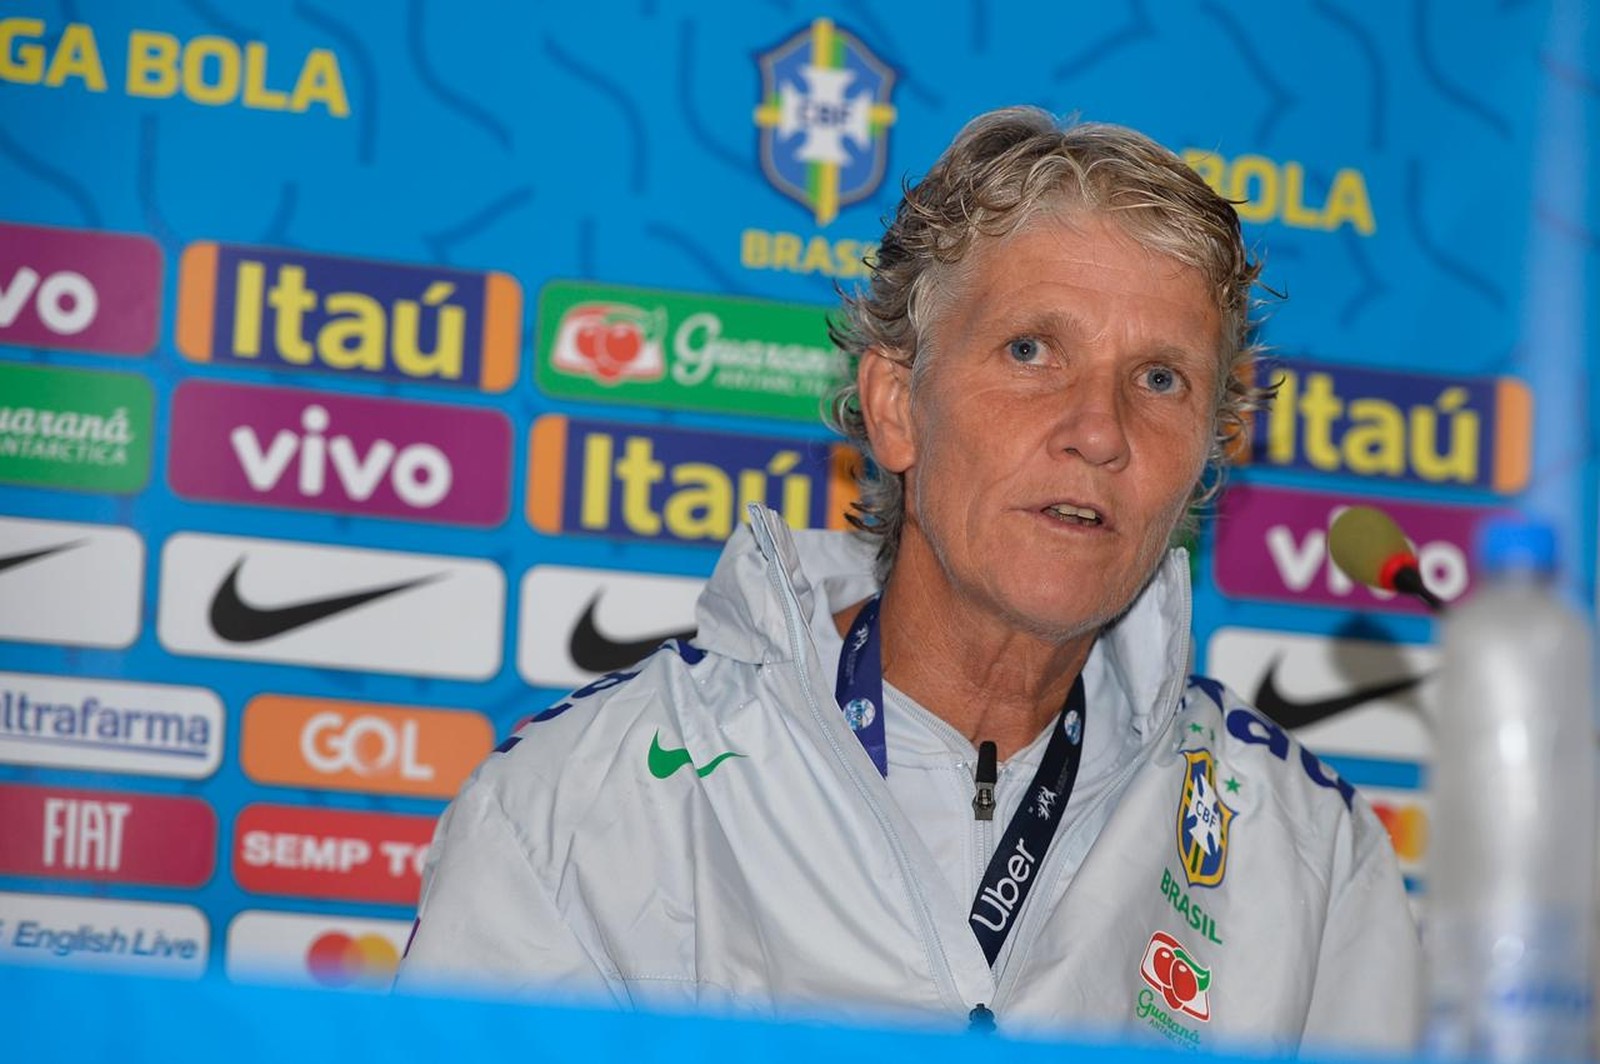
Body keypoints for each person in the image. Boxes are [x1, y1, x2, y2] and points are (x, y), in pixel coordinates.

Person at [397, 106, 1421, 1053]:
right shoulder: (586, 803)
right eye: (1031, 350)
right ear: (895, 407)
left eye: (1159, 379)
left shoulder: (1307, 851)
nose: (1100, 430)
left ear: (1207, 450)